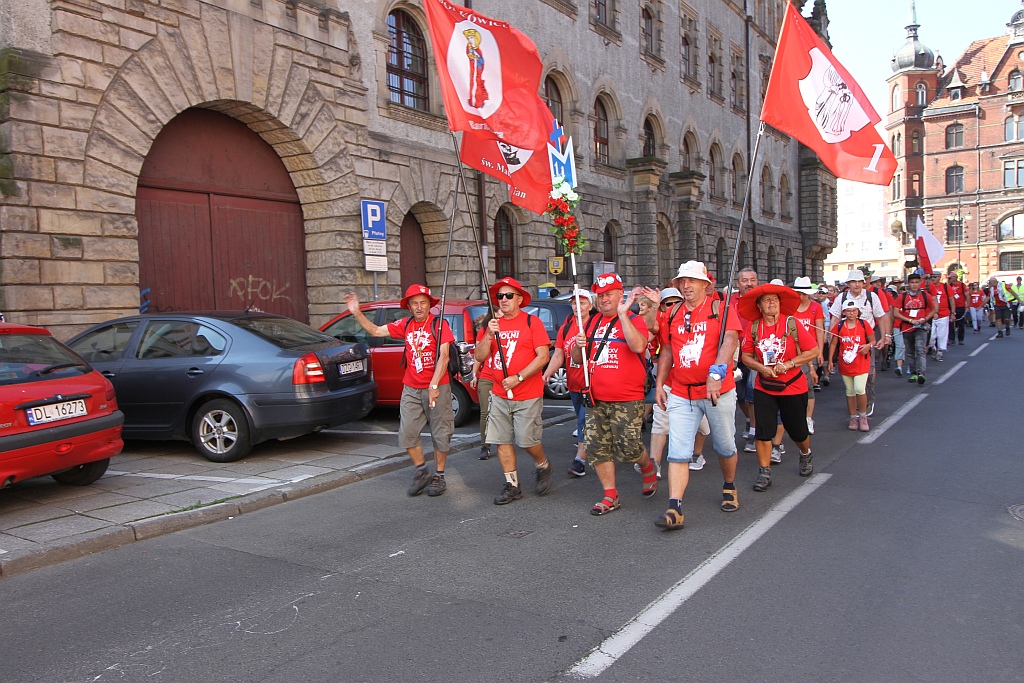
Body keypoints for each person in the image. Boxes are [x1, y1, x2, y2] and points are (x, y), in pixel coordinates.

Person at [655, 261, 743, 530]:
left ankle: (729, 485)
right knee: (678, 452)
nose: (686, 285)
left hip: (717, 391)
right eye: (682, 281)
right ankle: (675, 507)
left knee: (725, 447)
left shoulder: (721, 307)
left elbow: (731, 340)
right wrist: (660, 384)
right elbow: (667, 351)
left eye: (692, 281)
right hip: (682, 392)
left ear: (706, 284)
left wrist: (716, 375)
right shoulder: (673, 313)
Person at [345, 285, 455, 497]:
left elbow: (444, 357)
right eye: (415, 303)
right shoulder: (405, 324)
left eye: (423, 302)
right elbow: (376, 331)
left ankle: (439, 476)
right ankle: (421, 470)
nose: (419, 307)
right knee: (407, 433)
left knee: (441, 433)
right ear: (409, 306)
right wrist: (356, 312)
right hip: (411, 386)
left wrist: (433, 385)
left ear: (430, 304)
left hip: (437, 386)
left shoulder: (439, 325)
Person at [570, 273, 657, 515]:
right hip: (595, 397)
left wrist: (621, 315)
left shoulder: (633, 319)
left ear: (621, 295)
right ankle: (610, 495)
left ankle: (647, 466)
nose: (604, 299)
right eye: (601, 295)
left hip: (627, 397)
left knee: (628, 447)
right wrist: (579, 346)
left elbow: (638, 346)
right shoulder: (591, 322)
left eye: (609, 294)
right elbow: (579, 360)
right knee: (597, 447)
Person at [474, 276, 553, 505]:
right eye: (500, 296)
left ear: (519, 299)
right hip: (499, 393)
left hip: (527, 393)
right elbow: (479, 356)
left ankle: (542, 464)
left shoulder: (531, 322)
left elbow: (543, 356)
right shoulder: (493, 325)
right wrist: (488, 335)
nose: (504, 300)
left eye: (509, 295)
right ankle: (512, 484)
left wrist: (519, 377)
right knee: (501, 440)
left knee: (527, 441)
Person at [739, 283, 819, 491]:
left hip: (793, 386)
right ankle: (764, 471)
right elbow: (746, 356)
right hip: (764, 386)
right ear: (759, 306)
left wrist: (790, 364)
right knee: (763, 431)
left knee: (798, 430)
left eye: (775, 299)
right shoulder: (754, 327)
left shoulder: (791, 323)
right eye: (767, 300)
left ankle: (805, 453)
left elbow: (813, 350)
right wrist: (760, 368)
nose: (772, 303)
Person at [542, 289, 593, 477]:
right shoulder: (566, 328)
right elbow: (559, 354)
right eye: (574, 303)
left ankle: (580, 460)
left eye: (582, 303)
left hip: (593, 385)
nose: (577, 307)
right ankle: (594, 449)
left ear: (590, 305)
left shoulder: (595, 325)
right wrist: (547, 373)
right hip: (574, 384)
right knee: (583, 420)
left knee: (583, 420)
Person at [829, 270, 889, 416]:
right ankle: (855, 403)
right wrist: (831, 336)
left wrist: (884, 336)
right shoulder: (841, 297)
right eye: (853, 282)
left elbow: (881, 317)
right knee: (849, 374)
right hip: (847, 339)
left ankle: (867, 401)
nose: (857, 284)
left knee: (868, 373)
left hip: (866, 338)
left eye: (859, 281)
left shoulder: (871, 296)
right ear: (848, 284)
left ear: (864, 283)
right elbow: (835, 318)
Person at [828, 300, 874, 431]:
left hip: (861, 362)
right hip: (846, 363)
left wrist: (868, 346)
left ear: (858, 311)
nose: (852, 313)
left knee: (860, 389)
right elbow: (833, 344)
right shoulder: (840, 325)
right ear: (844, 312)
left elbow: (873, 341)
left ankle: (863, 416)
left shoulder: (864, 324)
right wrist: (830, 360)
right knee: (849, 391)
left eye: (854, 310)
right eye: (848, 311)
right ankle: (853, 417)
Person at [730, 267, 760, 453]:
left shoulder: (762, 299)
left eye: (752, 280)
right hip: (735, 355)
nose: (749, 283)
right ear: (737, 283)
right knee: (739, 395)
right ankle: (751, 420)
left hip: (756, 354)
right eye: (745, 280)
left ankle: (755, 433)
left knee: (753, 395)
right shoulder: (729, 301)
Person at [791, 276, 825, 434]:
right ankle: (796, 415)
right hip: (794, 351)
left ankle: (808, 418)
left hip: (810, 351)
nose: (801, 296)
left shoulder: (816, 307)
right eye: (799, 293)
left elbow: (819, 329)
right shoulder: (791, 308)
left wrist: (819, 351)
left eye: (804, 294)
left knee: (809, 384)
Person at [892, 272, 936, 384]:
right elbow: (895, 312)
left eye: (916, 282)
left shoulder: (926, 296)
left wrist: (925, 319)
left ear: (920, 283)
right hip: (907, 327)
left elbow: (933, 309)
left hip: (921, 326)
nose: (914, 285)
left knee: (920, 349)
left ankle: (921, 373)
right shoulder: (902, 297)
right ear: (908, 284)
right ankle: (914, 373)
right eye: (912, 282)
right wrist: (910, 320)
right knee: (910, 351)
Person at [471, 310, 495, 460]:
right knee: (485, 412)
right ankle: (485, 446)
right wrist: (474, 374)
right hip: (487, 375)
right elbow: (478, 355)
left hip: (506, 378)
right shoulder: (484, 330)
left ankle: (505, 442)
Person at [924, 271, 955, 361]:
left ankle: (940, 351)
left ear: (940, 277)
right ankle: (932, 348)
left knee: (942, 335)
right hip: (930, 315)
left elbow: (951, 300)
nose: (933, 278)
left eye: (935, 276)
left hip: (943, 314)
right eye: (932, 276)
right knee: (931, 336)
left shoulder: (945, 287)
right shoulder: (928, 287)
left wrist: (953, 313)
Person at [947, 272, 969, 345]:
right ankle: (951, 339)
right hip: (951, 307)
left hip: (960, 306)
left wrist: (967, 306)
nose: (949, 279)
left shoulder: (962, 285)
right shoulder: (948, 286)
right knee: (950, 323)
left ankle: (961, 339)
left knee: (960, 324)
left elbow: (967, 296)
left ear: (955, 277)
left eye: (950, 278)